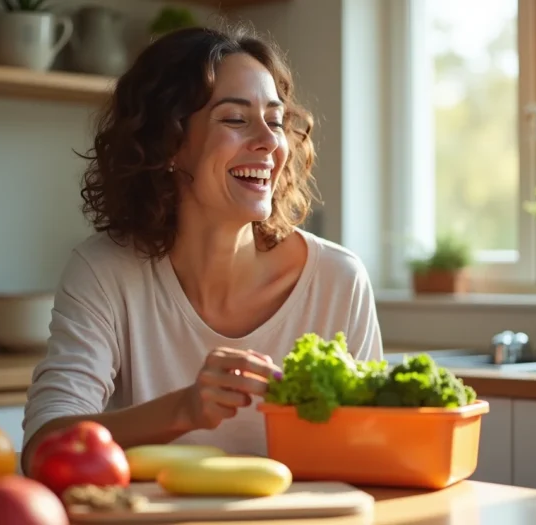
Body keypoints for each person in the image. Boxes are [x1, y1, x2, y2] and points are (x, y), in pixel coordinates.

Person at [21, 23, 383, 474]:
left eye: (274, 120)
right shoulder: (105, 271)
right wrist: (183, 410)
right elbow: (42, 447)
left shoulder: (337, 280)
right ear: (169, 143)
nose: (271, 142)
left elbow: (374, 453)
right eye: (235, 119)